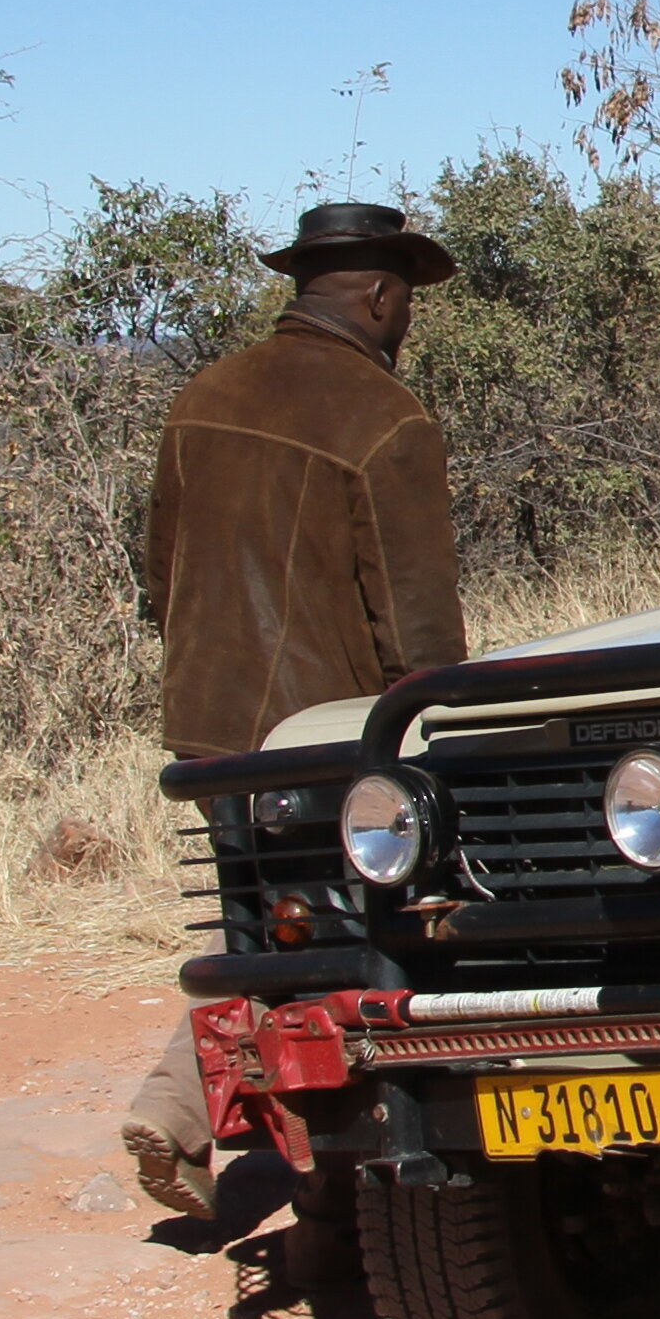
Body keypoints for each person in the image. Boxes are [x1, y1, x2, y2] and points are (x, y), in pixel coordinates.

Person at [119, 199, 469, 1220]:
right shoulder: (385, 420)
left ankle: (194, 1119)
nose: (405, 319)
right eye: (405, 301)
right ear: (378, 293)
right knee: (353, 957)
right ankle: (314, 1186)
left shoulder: (203, 395)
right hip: (326, 735)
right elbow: (421, 642)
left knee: (262, 931)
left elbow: (161, 573)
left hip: (212, 727)